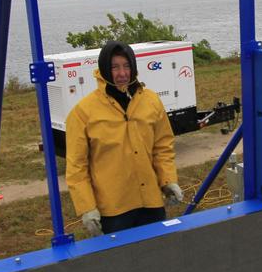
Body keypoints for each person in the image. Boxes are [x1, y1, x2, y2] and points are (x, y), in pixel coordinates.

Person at [66, 40, 183, 236]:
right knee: (120, 264)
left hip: (151, 203)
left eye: (127, 66)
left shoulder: (151, 100)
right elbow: (77, 167)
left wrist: (168, 179)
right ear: (104, 69)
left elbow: (162, 146)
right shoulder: (82, 112)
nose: (122, 73)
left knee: (156, 257)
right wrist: (87, 208)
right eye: (114, 67)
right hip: (114, 210)